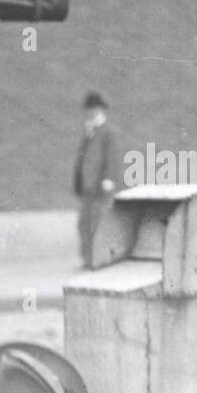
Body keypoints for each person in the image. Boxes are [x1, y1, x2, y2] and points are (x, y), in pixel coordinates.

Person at [73, 91, 121, 269]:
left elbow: (112, 157)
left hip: (101, 188)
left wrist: (108, 178)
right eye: (88, 109)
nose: (90, 112)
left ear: (100, 109)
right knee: (84, 223)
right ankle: (88, 259)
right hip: (88, 188)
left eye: (93, 109)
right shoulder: (90, 131)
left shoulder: (108, 131)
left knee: (97, 223)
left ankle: (96, 260)